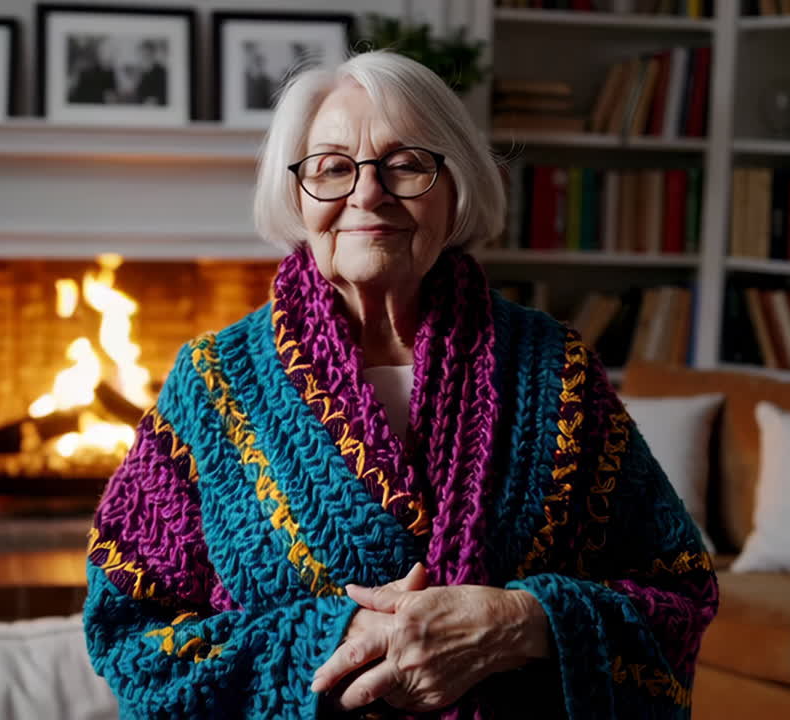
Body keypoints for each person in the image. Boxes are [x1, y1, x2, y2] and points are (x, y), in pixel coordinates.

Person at [82, 50, 719, 719]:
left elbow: (675, 592)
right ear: (296, 194)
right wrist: (335, 641)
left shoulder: (555, 372)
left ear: (457, 184)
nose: (366, 193)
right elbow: (130, 629)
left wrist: (523, 620)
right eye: (331, 167)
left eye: (406, 163)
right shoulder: (213, 386)